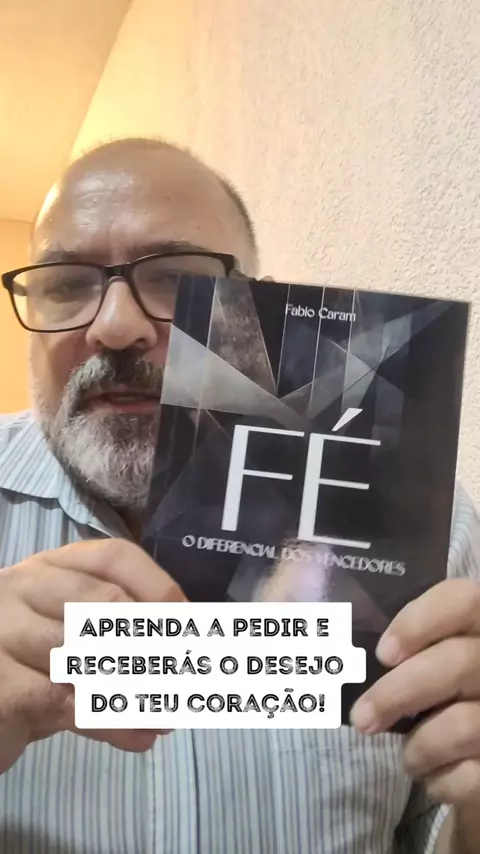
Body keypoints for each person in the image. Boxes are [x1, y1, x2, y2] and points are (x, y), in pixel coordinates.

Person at [0, 137, 479, 854]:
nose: (115, 326)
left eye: (174, 277)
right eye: (67, 284)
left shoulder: (435, 532)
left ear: (262, 305)